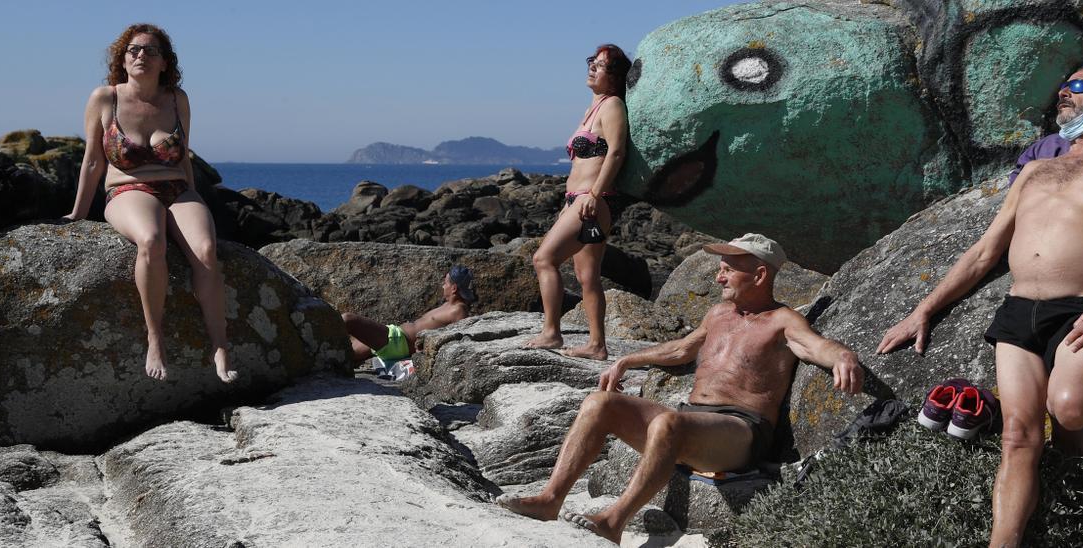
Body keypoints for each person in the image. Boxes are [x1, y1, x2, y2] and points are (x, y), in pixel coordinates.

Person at [877, 65, 1083, 547]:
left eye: (1077, 88)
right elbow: (984, 252)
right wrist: (922, 310)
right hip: (1018, 311)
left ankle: (1074, 474)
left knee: (1071, 409)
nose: (1063, 96)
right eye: (1063, 89)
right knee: (1018, 437)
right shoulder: (1035, 169)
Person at [501, 234, 864, 544]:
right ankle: (550, 499)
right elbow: (680, 349)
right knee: (599, 403)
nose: (719, 276)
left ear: (760, 274)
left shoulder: (782, 321)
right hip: (692, 420)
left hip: (740, 431)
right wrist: (628, 361)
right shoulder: (718, 314)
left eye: (728, 268)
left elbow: (816, 346)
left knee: (668, 423)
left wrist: (844, 356)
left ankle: (613, 523)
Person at [63, 23, 236, 383]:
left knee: (205, 250)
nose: (140, 55)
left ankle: (219, 346)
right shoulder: (104, 98)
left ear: (164, 62)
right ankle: (154, 337)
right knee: (152, 242)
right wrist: (78, 214)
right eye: (133, 50)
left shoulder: (177, 99)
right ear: (122, 60)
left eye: (150, 50)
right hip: (127, 191)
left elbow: (183, 156)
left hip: (177, 190)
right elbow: (93, 161)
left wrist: (193, 196)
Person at [523, 44, 632, 361]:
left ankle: (551, 333)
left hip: (591, 201)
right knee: (587, 277)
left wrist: (595, 194)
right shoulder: (593, 107)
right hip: (577, 201)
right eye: (592, 62)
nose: (593, 68)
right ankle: (597, 345)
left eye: (601, 65)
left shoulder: (612, 106)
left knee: (543, 259)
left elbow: (616, 152)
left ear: (614, 78)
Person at [342, 265, 477, 364]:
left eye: (446, 282)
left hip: (397, 342)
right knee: (347, 352)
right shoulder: (449, 305)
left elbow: (459, 342)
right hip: (395, 337)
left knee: (348, 319)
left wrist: (425, 352)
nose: (443, 286)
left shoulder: (458, 310)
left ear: (453, 288)